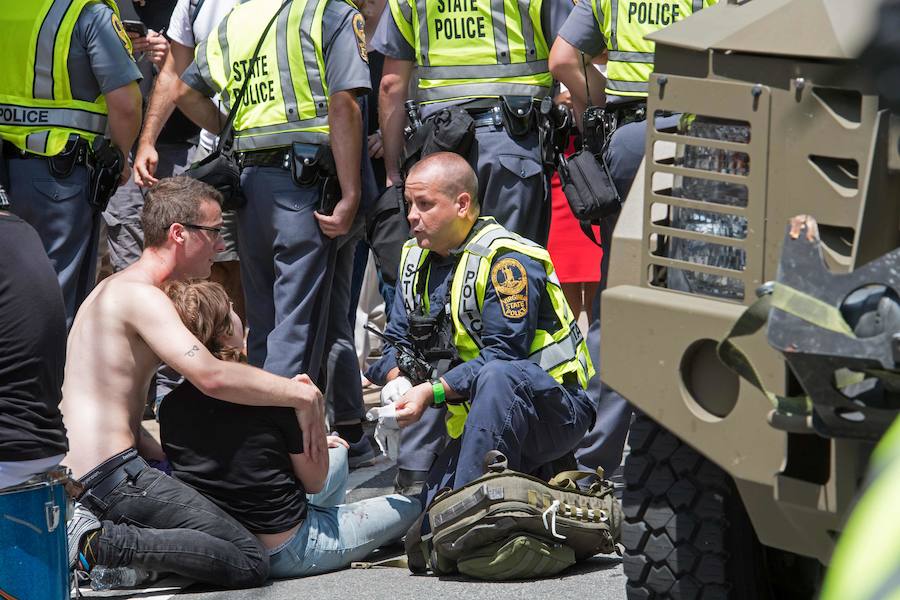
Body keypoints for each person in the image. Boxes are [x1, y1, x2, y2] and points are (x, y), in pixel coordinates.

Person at [62, 176, 328, 589]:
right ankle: (102, 543)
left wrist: (163, 462)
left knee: (213, 535)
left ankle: (111, 551)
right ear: (178, 234)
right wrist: (302, 393)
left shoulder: (109, 290)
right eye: (214, 232)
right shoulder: (140, 296)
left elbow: (119, 414)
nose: (222, 245)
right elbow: (210, 375)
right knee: (249, 559)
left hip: (95, 474)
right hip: (112, 478)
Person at [548, 0, 717, 480]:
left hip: (626, 141)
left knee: (617, 297)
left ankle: (593, 457)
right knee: (699, 293)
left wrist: (599, 103)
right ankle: (688, 439)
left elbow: (562, 58)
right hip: (696, 139)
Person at [367, 153, 596, 505]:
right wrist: (398, 378)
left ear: (461, 204)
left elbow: (503, 358)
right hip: (482, 421)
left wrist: (430, 392)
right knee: (430, 518)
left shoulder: (508, 261)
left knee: (496, 377)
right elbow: (394, 342)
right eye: (409, 204)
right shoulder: (414, 257)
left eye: (425, 204)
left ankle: (476, 506)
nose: (412, 216)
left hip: (553, 411)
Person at [159, 279, 420, 578]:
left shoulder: (169, 407)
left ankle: (325, 518)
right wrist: (312, 411)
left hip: (227, 537)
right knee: (409, 506)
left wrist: (318, 443)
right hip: (288, 547)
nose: (236, 313)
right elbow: (315, 481)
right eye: (231, 308)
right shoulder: (270, 395)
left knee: (338, 455)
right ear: (224, 330)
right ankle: (328, 529)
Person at [176, 0, 369, 391]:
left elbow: (184, 92)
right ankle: (281, 431)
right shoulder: (329, 12)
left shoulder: (235, 21)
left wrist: (229, 133)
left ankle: (260, 424)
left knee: (263, 316)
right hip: (303, 186)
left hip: (249, 186)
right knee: (298, 321)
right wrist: (351, 192)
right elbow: (343, 106)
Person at [372, 0, 574, 246]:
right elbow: (572, 55)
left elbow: (390, 85)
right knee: (511, 266)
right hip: (514, 147)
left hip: (438, 150)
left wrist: (394, 173)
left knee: (439, 267)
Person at [0, 0, 143, 328]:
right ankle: (47, 380)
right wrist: (119, 156)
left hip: (8, 176)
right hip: (57, 180)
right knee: (52, 294)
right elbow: (126, 104)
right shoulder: (87, 11)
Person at [132, 0, 244, 323]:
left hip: (271, 157)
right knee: (214, 269)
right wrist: (147, 140)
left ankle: (247, 362)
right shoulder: (193, 3)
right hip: (216, 162)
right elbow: (173, 74)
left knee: (251, 274)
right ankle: (217, 360)